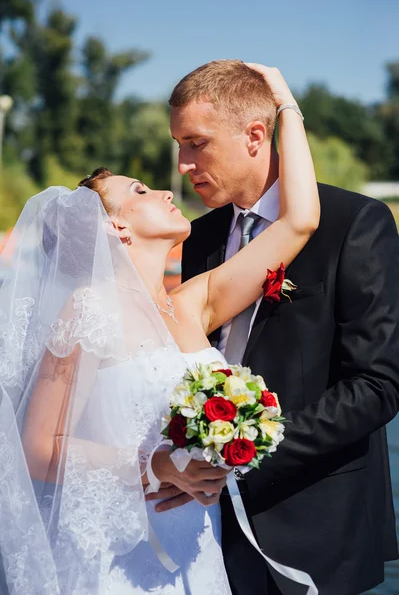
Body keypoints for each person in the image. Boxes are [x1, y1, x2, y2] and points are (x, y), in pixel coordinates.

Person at [0, 68, 318, 594]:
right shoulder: (87, 308)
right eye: (141, 190)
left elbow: (299, 220)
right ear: (114, 226)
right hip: (122, 552)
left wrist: (283, 104)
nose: (168, 187)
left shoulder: (190, 305)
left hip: (196, 541)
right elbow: (36, 448)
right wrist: (155, 464)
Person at [155, 60, 399, 595]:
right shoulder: (199, 237)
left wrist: (243, 453)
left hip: (318, 525)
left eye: (196, 143)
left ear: (255, 136)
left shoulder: (354, 223)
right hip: (210, 524)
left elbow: (377, 386)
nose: (183, 163)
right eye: (179, 145)